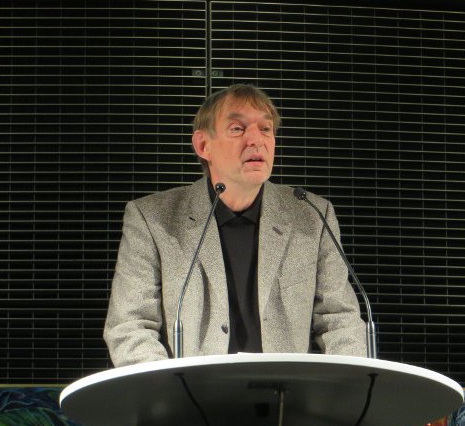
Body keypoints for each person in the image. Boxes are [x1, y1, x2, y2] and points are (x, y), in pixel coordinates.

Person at [104, 84, 366, 366]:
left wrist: (344, 386)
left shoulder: (312, 215)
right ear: (203, 146)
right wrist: (171, 389)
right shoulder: (152, 218)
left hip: (286, 391)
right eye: (237, 129)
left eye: (265, 129)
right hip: (191, 391)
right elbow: (130, 327)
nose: (256, 140)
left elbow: (340, 320)